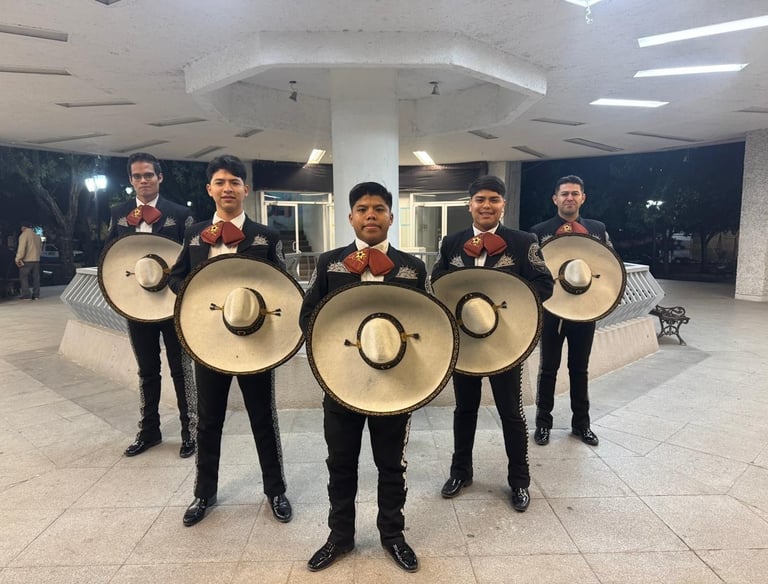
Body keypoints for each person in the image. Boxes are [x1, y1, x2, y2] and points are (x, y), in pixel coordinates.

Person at [300, 181, 425, 573]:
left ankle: (393, 535)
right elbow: (308, 318)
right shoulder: (329, 263)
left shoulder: (413, 267)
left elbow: (429, 322)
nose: (370, 215)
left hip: (396, 385)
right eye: (362, 209)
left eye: (379, 208)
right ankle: (340, 536)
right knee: (341, 462)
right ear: (351, 217)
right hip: (342, 383)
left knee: (392, 465)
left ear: (391, 216)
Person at [168, 154, 292, 527]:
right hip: (207, 342)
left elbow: (283, 287)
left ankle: (275, 491)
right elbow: (175, 279)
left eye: (234, 182)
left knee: (263, 419)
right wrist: (194, 291)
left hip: (256, 343)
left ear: (245, 189)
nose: (227, 189)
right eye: (220, 182)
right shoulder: (193, 235)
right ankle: (203, 493)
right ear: (210, 189)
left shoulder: (266, 236)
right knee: (208, 421)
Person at [431, 175, 553, 511]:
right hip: (465, 343)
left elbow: (545, 284)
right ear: (469, 204)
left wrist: (511, 304)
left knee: (511, 413)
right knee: (464, 410)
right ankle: (460, 472)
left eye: (494, 200)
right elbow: (437, 281)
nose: (487, 206)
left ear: (503, 205)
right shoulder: (451, 242)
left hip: (506, 344)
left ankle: (519, 481)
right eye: (480, 199)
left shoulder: (523, 240)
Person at [105, 152, 196, 459]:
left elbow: (191, 260)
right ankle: (149, 431)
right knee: (146, 371)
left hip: (171, 304)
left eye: (148, 175)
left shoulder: (180, 214)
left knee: (181, 370)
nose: (143, 181)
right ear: (130, 181)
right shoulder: (119, 214)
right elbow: (109, 257)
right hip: (137, 305)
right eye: (137, 176)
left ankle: (190, 431)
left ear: (160, 177)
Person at [529, 174, 612, 447]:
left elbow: (608, 266)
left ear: (583, 198)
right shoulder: (539, 231)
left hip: (585, 309)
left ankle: (582, 425)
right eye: (564, 193)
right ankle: (543, 424)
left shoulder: (597, 230)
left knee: (580, 369)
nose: (569, 198)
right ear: (555, 198)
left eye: (575, 193)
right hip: (552, 310)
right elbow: (533, 271)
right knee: (548, 369)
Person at [15, 221, 42, 300]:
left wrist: (18, 259)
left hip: (27, 260)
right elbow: (40, 249)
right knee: (36, 278)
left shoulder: (24, 235)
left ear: (23, 227)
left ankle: (26, 295)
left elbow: (21, 249)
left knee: (23, 276)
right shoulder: (37, 236)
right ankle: (36, 294)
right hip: (36, 260)